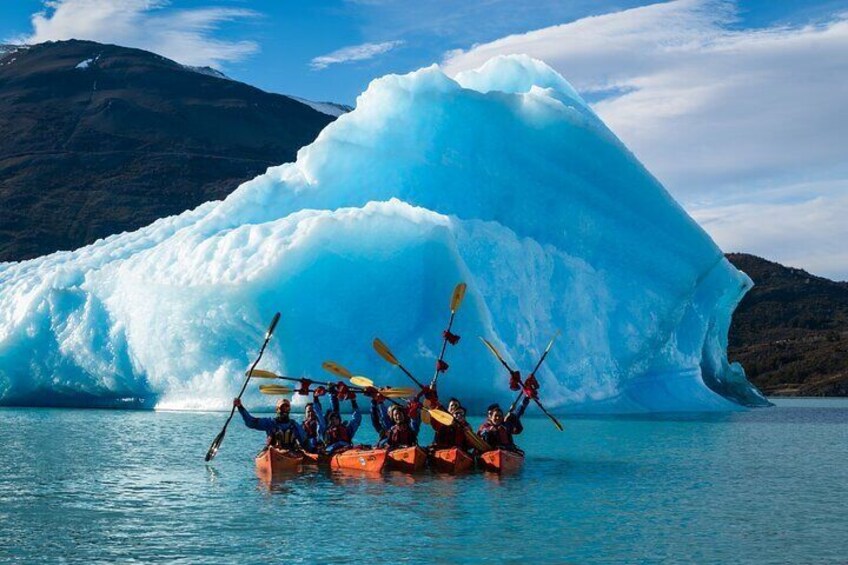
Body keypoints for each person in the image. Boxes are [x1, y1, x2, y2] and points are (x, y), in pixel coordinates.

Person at [233, 397, 305, 451]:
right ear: (277, 410)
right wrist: (240, 407)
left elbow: (305, 441)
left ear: (289, 410)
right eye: (282, 408)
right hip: (274, 451)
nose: (284, 411)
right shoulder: (270, 423)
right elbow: (251, 422)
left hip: (291, 453)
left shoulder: (294, 425)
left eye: (286, 408)